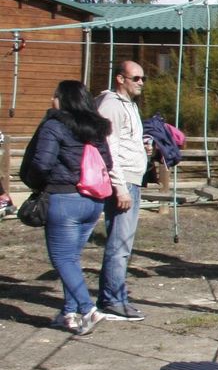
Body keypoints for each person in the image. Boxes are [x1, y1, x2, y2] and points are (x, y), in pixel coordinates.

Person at [21, 81, 115, 335]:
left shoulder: (54, 125)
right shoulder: (97, 128)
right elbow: (107, 162)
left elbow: (41, 163)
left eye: (55, 95)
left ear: (63, 99)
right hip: (93, 200)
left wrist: (38, 185)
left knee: (62, 258)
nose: (51, 100)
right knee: (71, 259)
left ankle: (88, 309)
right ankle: (68, 314)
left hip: (64, 198)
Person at [95, 60, 152, 321]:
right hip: (123, 181)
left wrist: (143, 147)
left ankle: (114, 296)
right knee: (119, 243)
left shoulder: (129, 105)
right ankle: (112, 300)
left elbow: (125, 141)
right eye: (136, 78)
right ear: (120, 78)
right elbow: (109, 147)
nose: (141, 83)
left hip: (132, 178)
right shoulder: (112, 106)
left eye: (143, 78)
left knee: (124, 242)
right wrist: (120, 188)